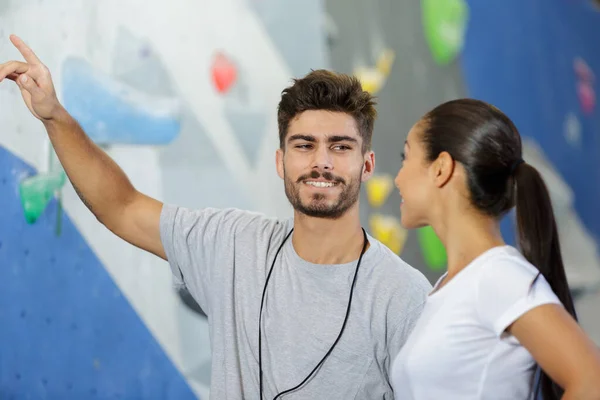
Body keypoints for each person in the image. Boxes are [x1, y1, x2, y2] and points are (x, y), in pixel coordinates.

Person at [0, 35, 432, 399]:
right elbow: (123, 206)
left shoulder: (402, 295)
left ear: (367, 164)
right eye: (304, 145)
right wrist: (54, 115)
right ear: (281, 162)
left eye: (340, 147)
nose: (321, 162)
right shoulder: (231, 242)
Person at [391, 98, 600, 399]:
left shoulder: (497, 275)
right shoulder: (450, 289)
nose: (398, 177)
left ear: (441, 168)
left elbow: (591, 379)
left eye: (405, 157)